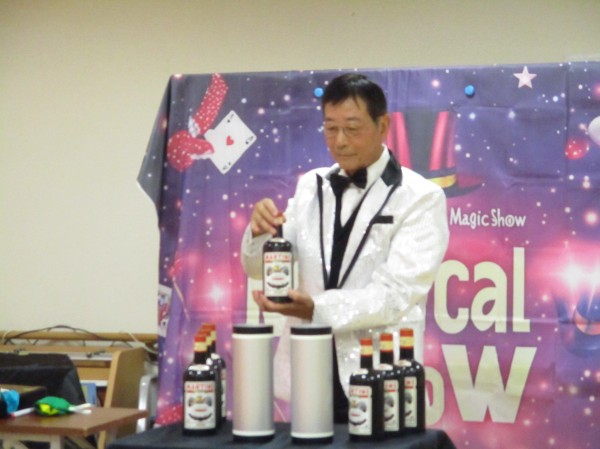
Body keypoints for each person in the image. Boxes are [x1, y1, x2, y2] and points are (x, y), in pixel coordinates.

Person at [241, 73, 449, 422]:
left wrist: (316, 308)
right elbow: (259, 267)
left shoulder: (421, 197)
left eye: (352, 128)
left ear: (383, 126)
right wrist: (260, 232)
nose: (339, 141)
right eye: (330, 128)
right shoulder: (311, 186)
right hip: (309, 370)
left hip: (380, 373)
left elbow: (395, 294)